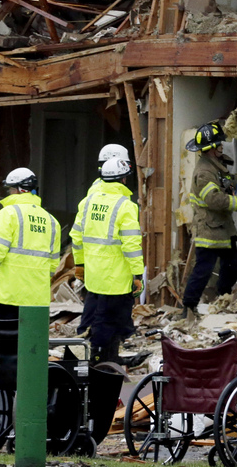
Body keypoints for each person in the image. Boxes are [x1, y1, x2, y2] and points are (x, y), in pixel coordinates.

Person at [70, 156, 145, 364]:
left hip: (94, 275)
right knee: (109, 323)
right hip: (116, 278)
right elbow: (131, 245)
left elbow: (76, 237)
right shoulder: (125, 206)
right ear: (123, 180)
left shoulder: (87, 202)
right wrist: (137, 274)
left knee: (98, 318)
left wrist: (80, 264)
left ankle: (104, 359)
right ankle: (101, 362)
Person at [180, 122, 237, 321]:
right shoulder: (204, 172)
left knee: (231, 266)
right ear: (210, 149)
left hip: (222, 229)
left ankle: (223, 300)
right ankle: (188, 307)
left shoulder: (216, 165)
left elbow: (231, 182)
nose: (222, 146)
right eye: (218, 144)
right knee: (203, 271)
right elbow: (213, 199)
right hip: (210, 229)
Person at [0, 168, 61, 320]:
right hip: (36, 298)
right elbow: (54, 263)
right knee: (29, 342)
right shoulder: (51, 221)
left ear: (19, 190)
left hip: (7, 295)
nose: (9, 192)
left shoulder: (8, 214)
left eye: (10, 189)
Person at [76, 144, 131, 334]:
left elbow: (78, 232)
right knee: (106, 307)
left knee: (95, 301)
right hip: (110, 260)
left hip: (96, 258)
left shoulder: (94, 191)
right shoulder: (114, 196)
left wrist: (80, 262)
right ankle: (111, 338)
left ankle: (89, 334)